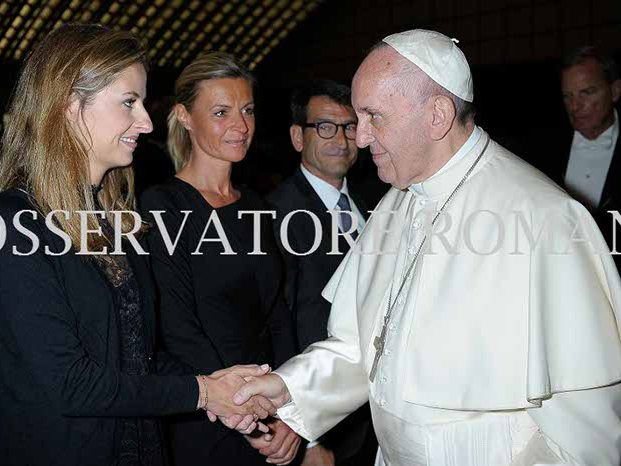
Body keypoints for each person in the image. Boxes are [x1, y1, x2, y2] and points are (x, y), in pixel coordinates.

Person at [233, 29, 621, 465]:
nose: (359, 139)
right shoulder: (397, 200)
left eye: (373, 117)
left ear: (437, 115)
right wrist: (289, 387)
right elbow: (366, 346)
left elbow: (587, 424)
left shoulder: (544, 216)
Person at [0, 24, 273, 466]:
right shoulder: (13, 223)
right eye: (129, 103)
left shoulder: (118, 219)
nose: (148, 122)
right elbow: (67, 383)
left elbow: (140, 357)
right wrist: (203, 391)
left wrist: (220, 392)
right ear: (72, 106)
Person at [140, 52, 301, 466]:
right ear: (185, 117)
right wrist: (241, 408)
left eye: (247, 110)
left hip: (267, 408)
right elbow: (177, 327)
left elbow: (278, 314)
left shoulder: (257, 206)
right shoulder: (162, 205)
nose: (241, 125)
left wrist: (288, 403)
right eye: (221, 111)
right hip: (205, 414)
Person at [266, 80, 376, 466]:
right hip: (323, 424)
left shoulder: (372, 202)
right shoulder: (276, 216)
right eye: (325, 127)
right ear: (298, 137)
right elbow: (281, 326)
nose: (341, 140)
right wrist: (308, 433)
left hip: (374, 414)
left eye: (350, 127)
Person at [554, 47, 620, 266]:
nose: (574, 106)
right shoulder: (543, 147)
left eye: (587, 92)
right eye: (568, 96)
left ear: (615, 90)